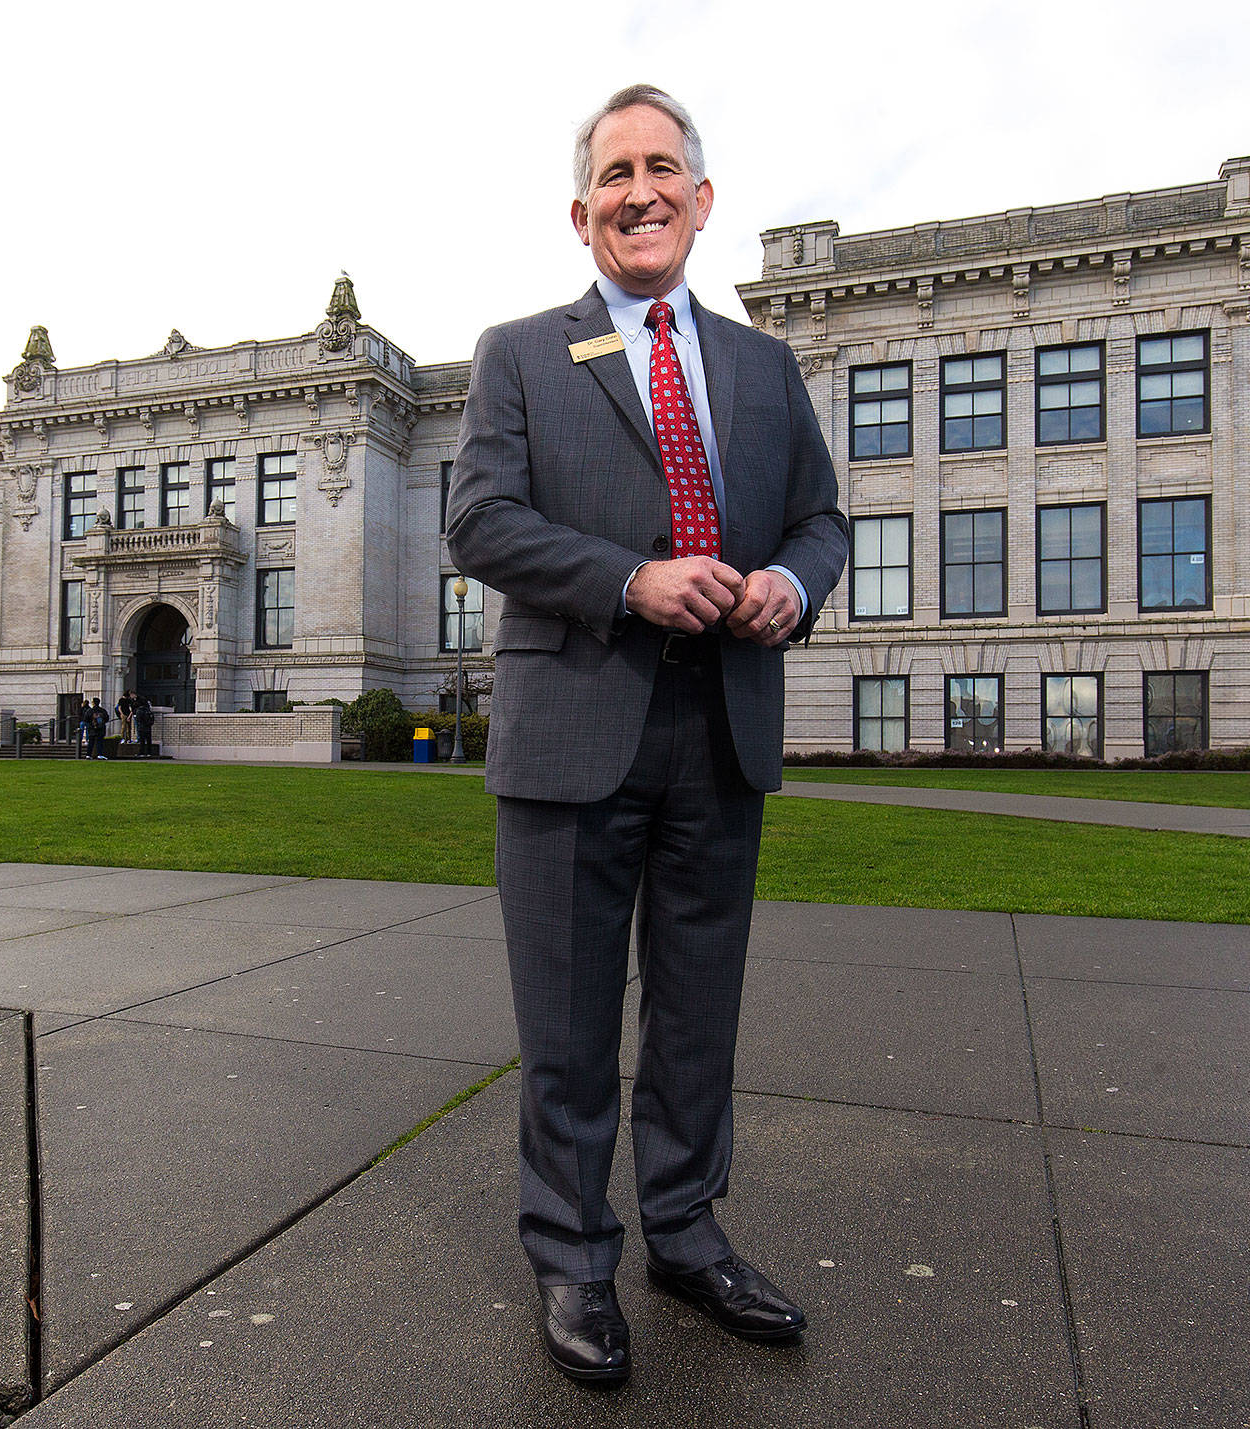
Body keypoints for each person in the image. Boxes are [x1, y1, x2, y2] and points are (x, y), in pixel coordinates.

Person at [446, 84, 848, 1385]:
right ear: (583, 213)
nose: (639, 192)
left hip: (721, 726)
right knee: (566, 1020)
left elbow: (820, 521)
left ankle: (685, 1231)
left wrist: (792, 582)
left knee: (696, 1015)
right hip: (574, 725)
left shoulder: (762, 367)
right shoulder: (520, 353)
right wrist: (633, 577)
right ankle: (572, 1255)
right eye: (614, 174)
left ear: (701, 197)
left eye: (661, 168)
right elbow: (480, 522)